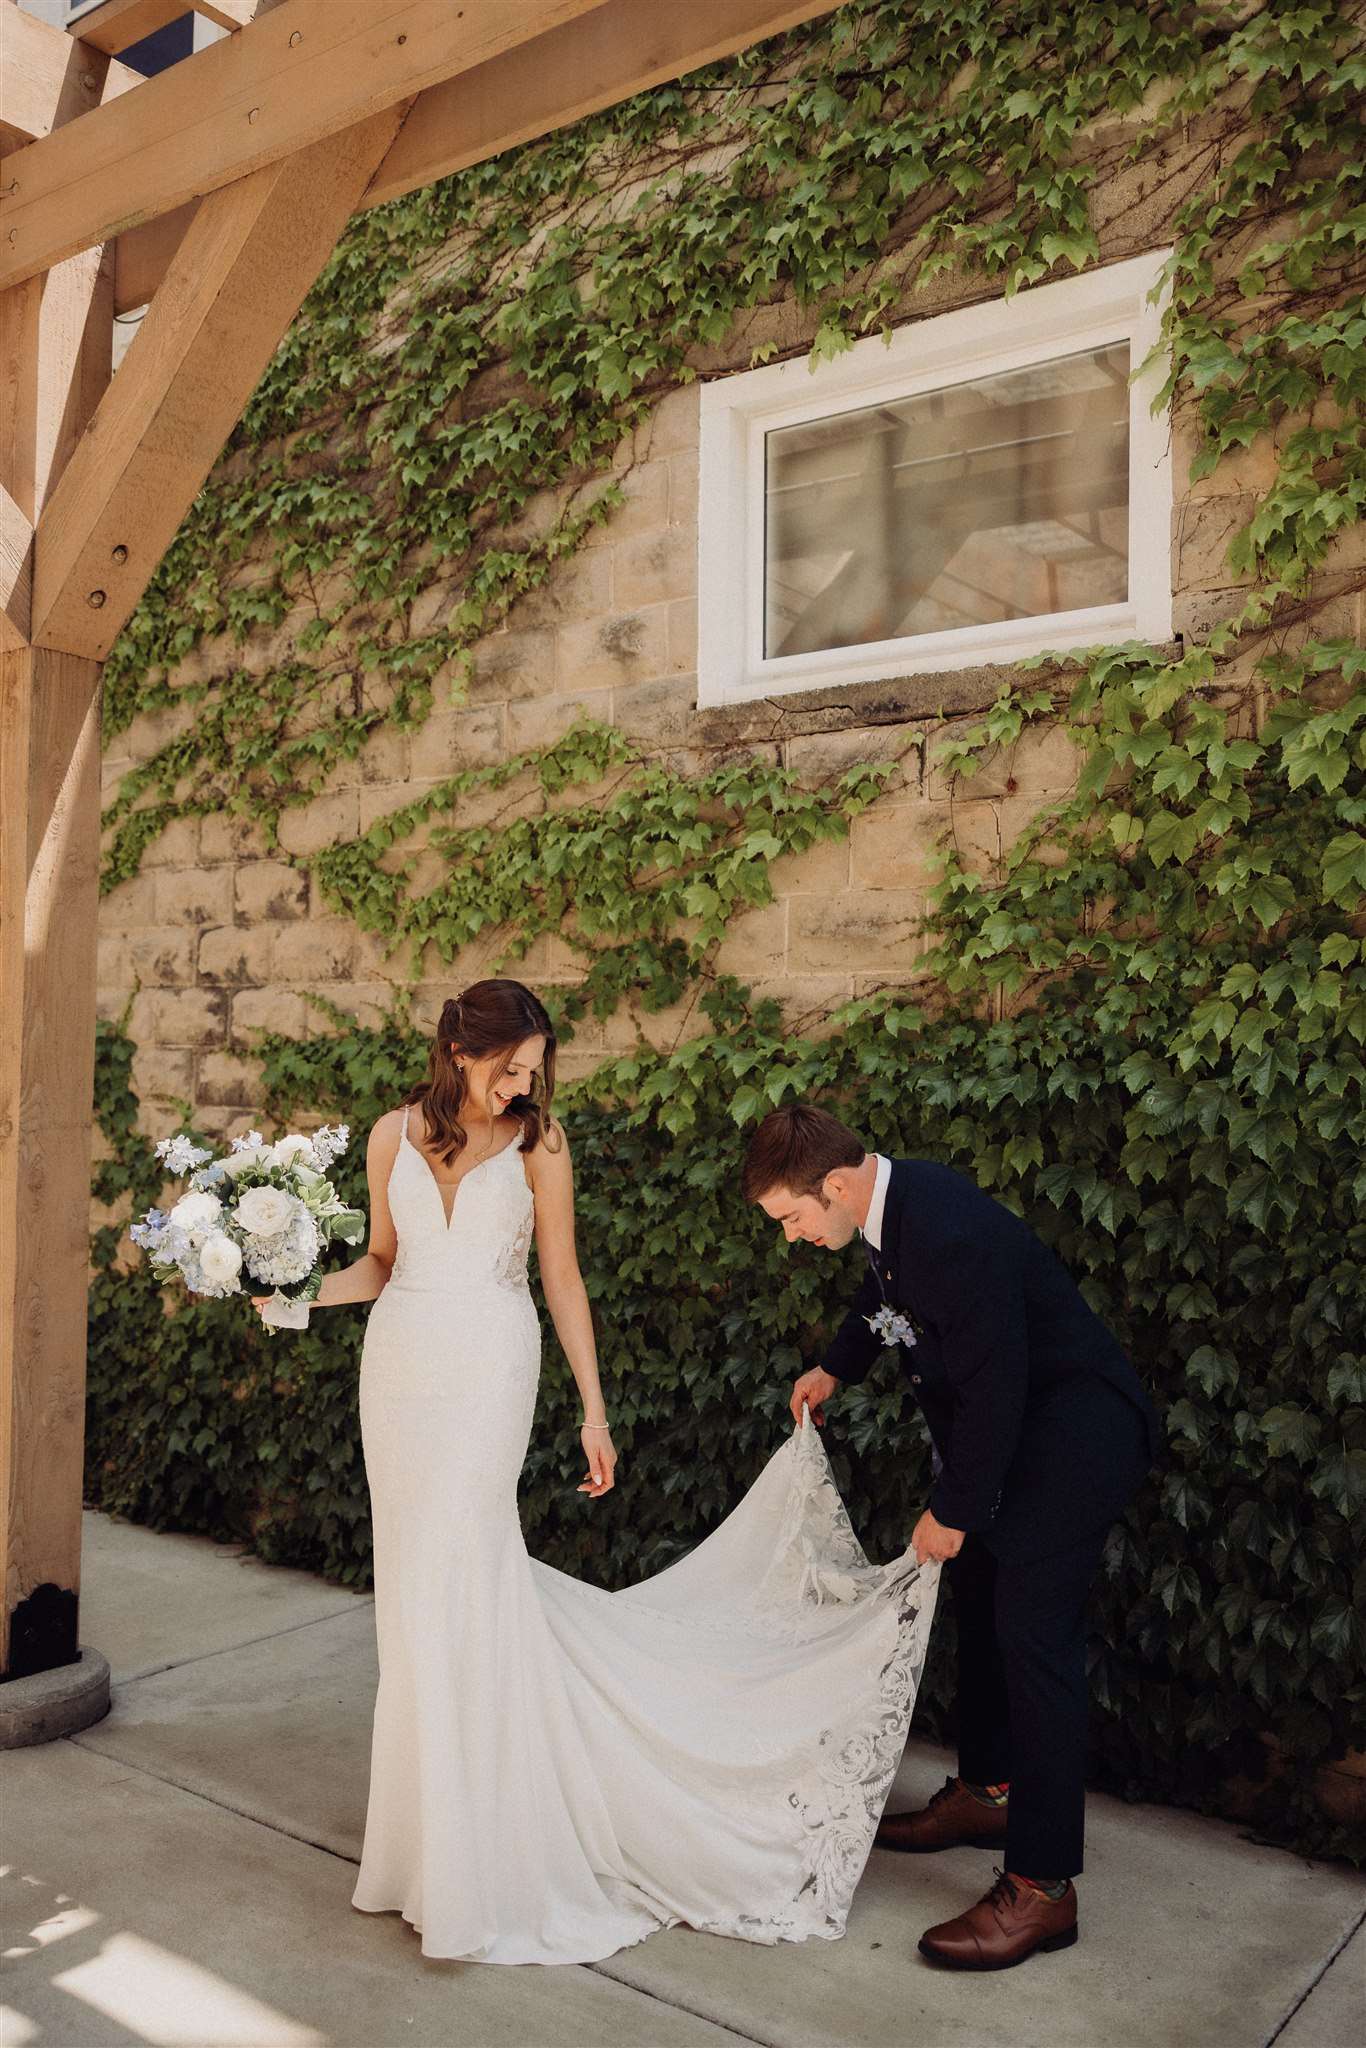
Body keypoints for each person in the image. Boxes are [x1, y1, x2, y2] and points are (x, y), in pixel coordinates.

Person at [254, 980, 939, 1966]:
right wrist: (286, 1295)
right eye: (508, 1066)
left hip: (492, 1359)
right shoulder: (386, 1134)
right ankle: (420, 1852)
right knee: (413, 1592)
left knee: (466, 1566)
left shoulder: (543, 1144)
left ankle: (484, 1854)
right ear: (457, 1046)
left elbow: (561, 1275)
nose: (522, 1084)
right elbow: (382, 1262)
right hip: (398, 1370)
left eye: (535, 1069)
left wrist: (593, 1407)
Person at [743, 1101, 1160, 1971]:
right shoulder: (890, 1215)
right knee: (978, 1599)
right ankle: (989, 1790)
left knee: (1034, 1637)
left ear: (834, 1185)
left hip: (1077, 1435)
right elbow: (885, 1306)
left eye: (791, 1218)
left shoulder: (949, 1233)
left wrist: (958, 1510)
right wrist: (835, 1364)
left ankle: (1044, 1888)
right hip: (1020, 1438)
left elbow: (1000, 1387)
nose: (790, 1237)